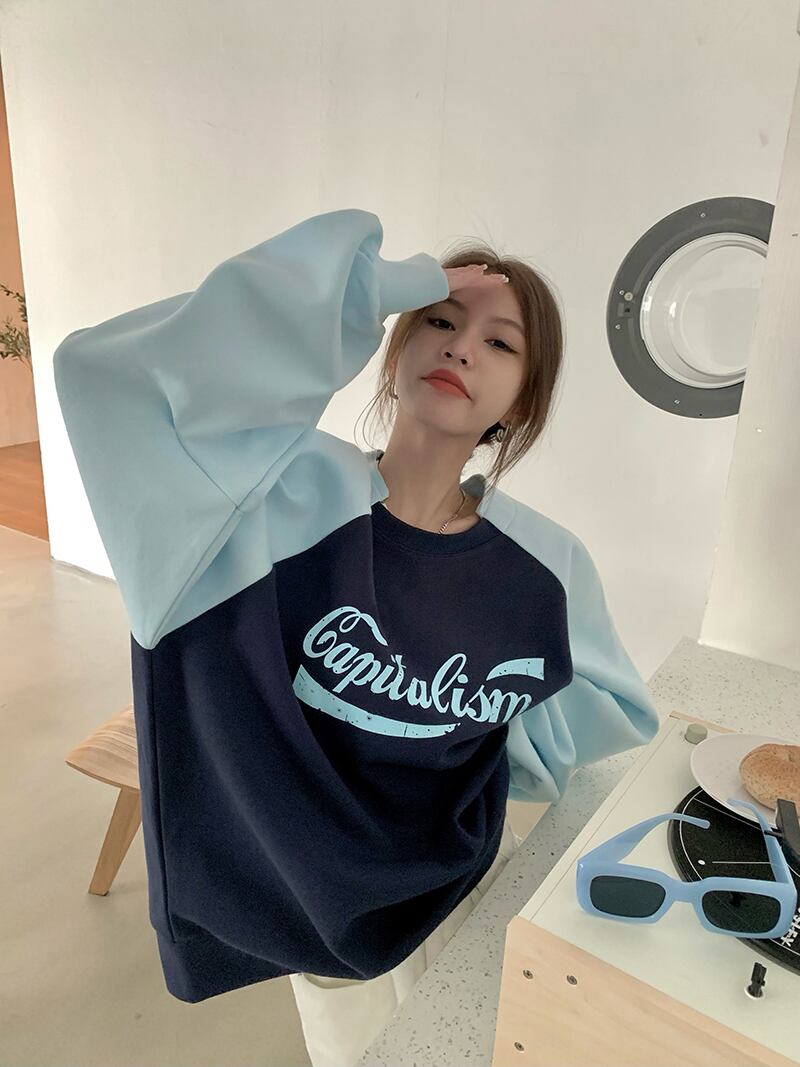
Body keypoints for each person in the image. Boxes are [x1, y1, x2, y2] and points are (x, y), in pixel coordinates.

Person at [53, 209, 661, 1063]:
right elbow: (104, 377)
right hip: (312, 910)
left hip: (470, 882)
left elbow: (606, 711)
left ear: (523, 398)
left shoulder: (543, 563)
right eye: (440, 320)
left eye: (500, 343)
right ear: (396, 342)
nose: (461, 348)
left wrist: (483, 745)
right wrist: (361, 287)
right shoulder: (265, 497)